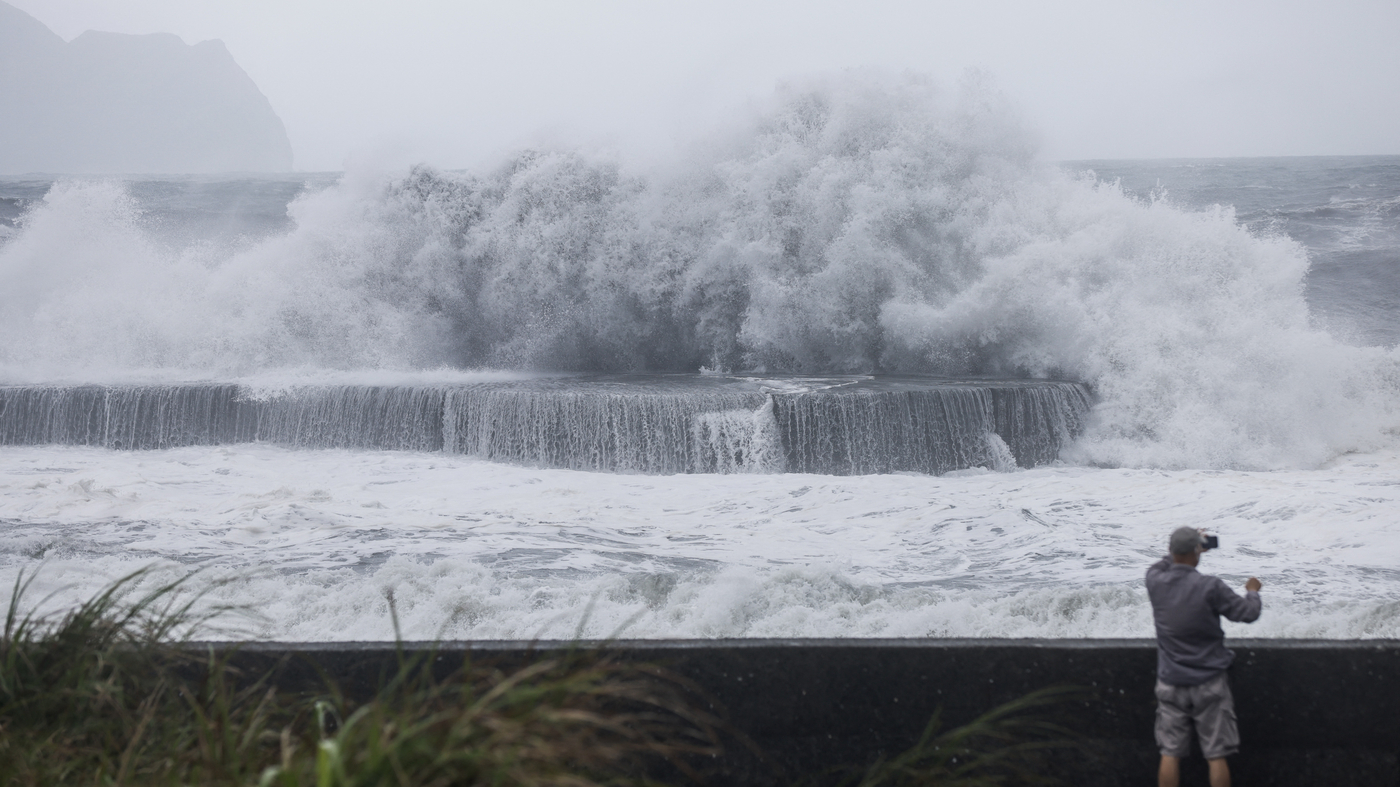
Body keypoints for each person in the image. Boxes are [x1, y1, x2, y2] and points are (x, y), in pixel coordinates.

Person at [1145, 527, 1262, 787]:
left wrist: (1185, 547)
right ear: (1197, 552)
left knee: (1170, 752)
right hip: (1209, 681)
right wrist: (1253, 591)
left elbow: (1163, 563)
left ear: (1171, 550)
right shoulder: (1210, 586)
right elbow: (1248, 613)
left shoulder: (1154, 580)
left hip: (1170, 681)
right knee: (1216, 754)